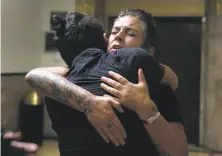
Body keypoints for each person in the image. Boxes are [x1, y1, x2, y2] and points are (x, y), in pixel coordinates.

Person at [26, 9, 188, 156]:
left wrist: (146, 108)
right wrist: (91, 103)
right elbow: (37, 75)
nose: (118, 36)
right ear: (105, 39)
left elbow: (180, 152)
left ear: (148, 52)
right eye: (115, 31)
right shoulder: (67, 80)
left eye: (131, 33)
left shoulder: (158, 88)